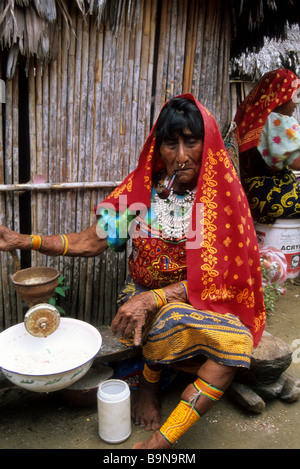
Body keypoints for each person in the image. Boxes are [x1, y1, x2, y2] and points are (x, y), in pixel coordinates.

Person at [0, 95, 266, 449]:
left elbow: (228, 273)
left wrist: (158, 297)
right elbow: (91, 242)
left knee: (235, 342)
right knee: (168, 322)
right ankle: (150, 387)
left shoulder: (221, 198)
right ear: (159, 148)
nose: (181, 155)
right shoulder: (141, 193)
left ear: (208, 144)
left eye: (191, 142)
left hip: (200, 300)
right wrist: (26, 240)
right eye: (171, 143)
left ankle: (160, 435)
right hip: (138, 294)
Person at [234, 68, 300, 224]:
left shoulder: (252, 121)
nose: (297, 103)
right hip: (274, 197)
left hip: (252, 195)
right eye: (296, 96)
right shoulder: (278, 121)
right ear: (280, 96)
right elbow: (297, 162)